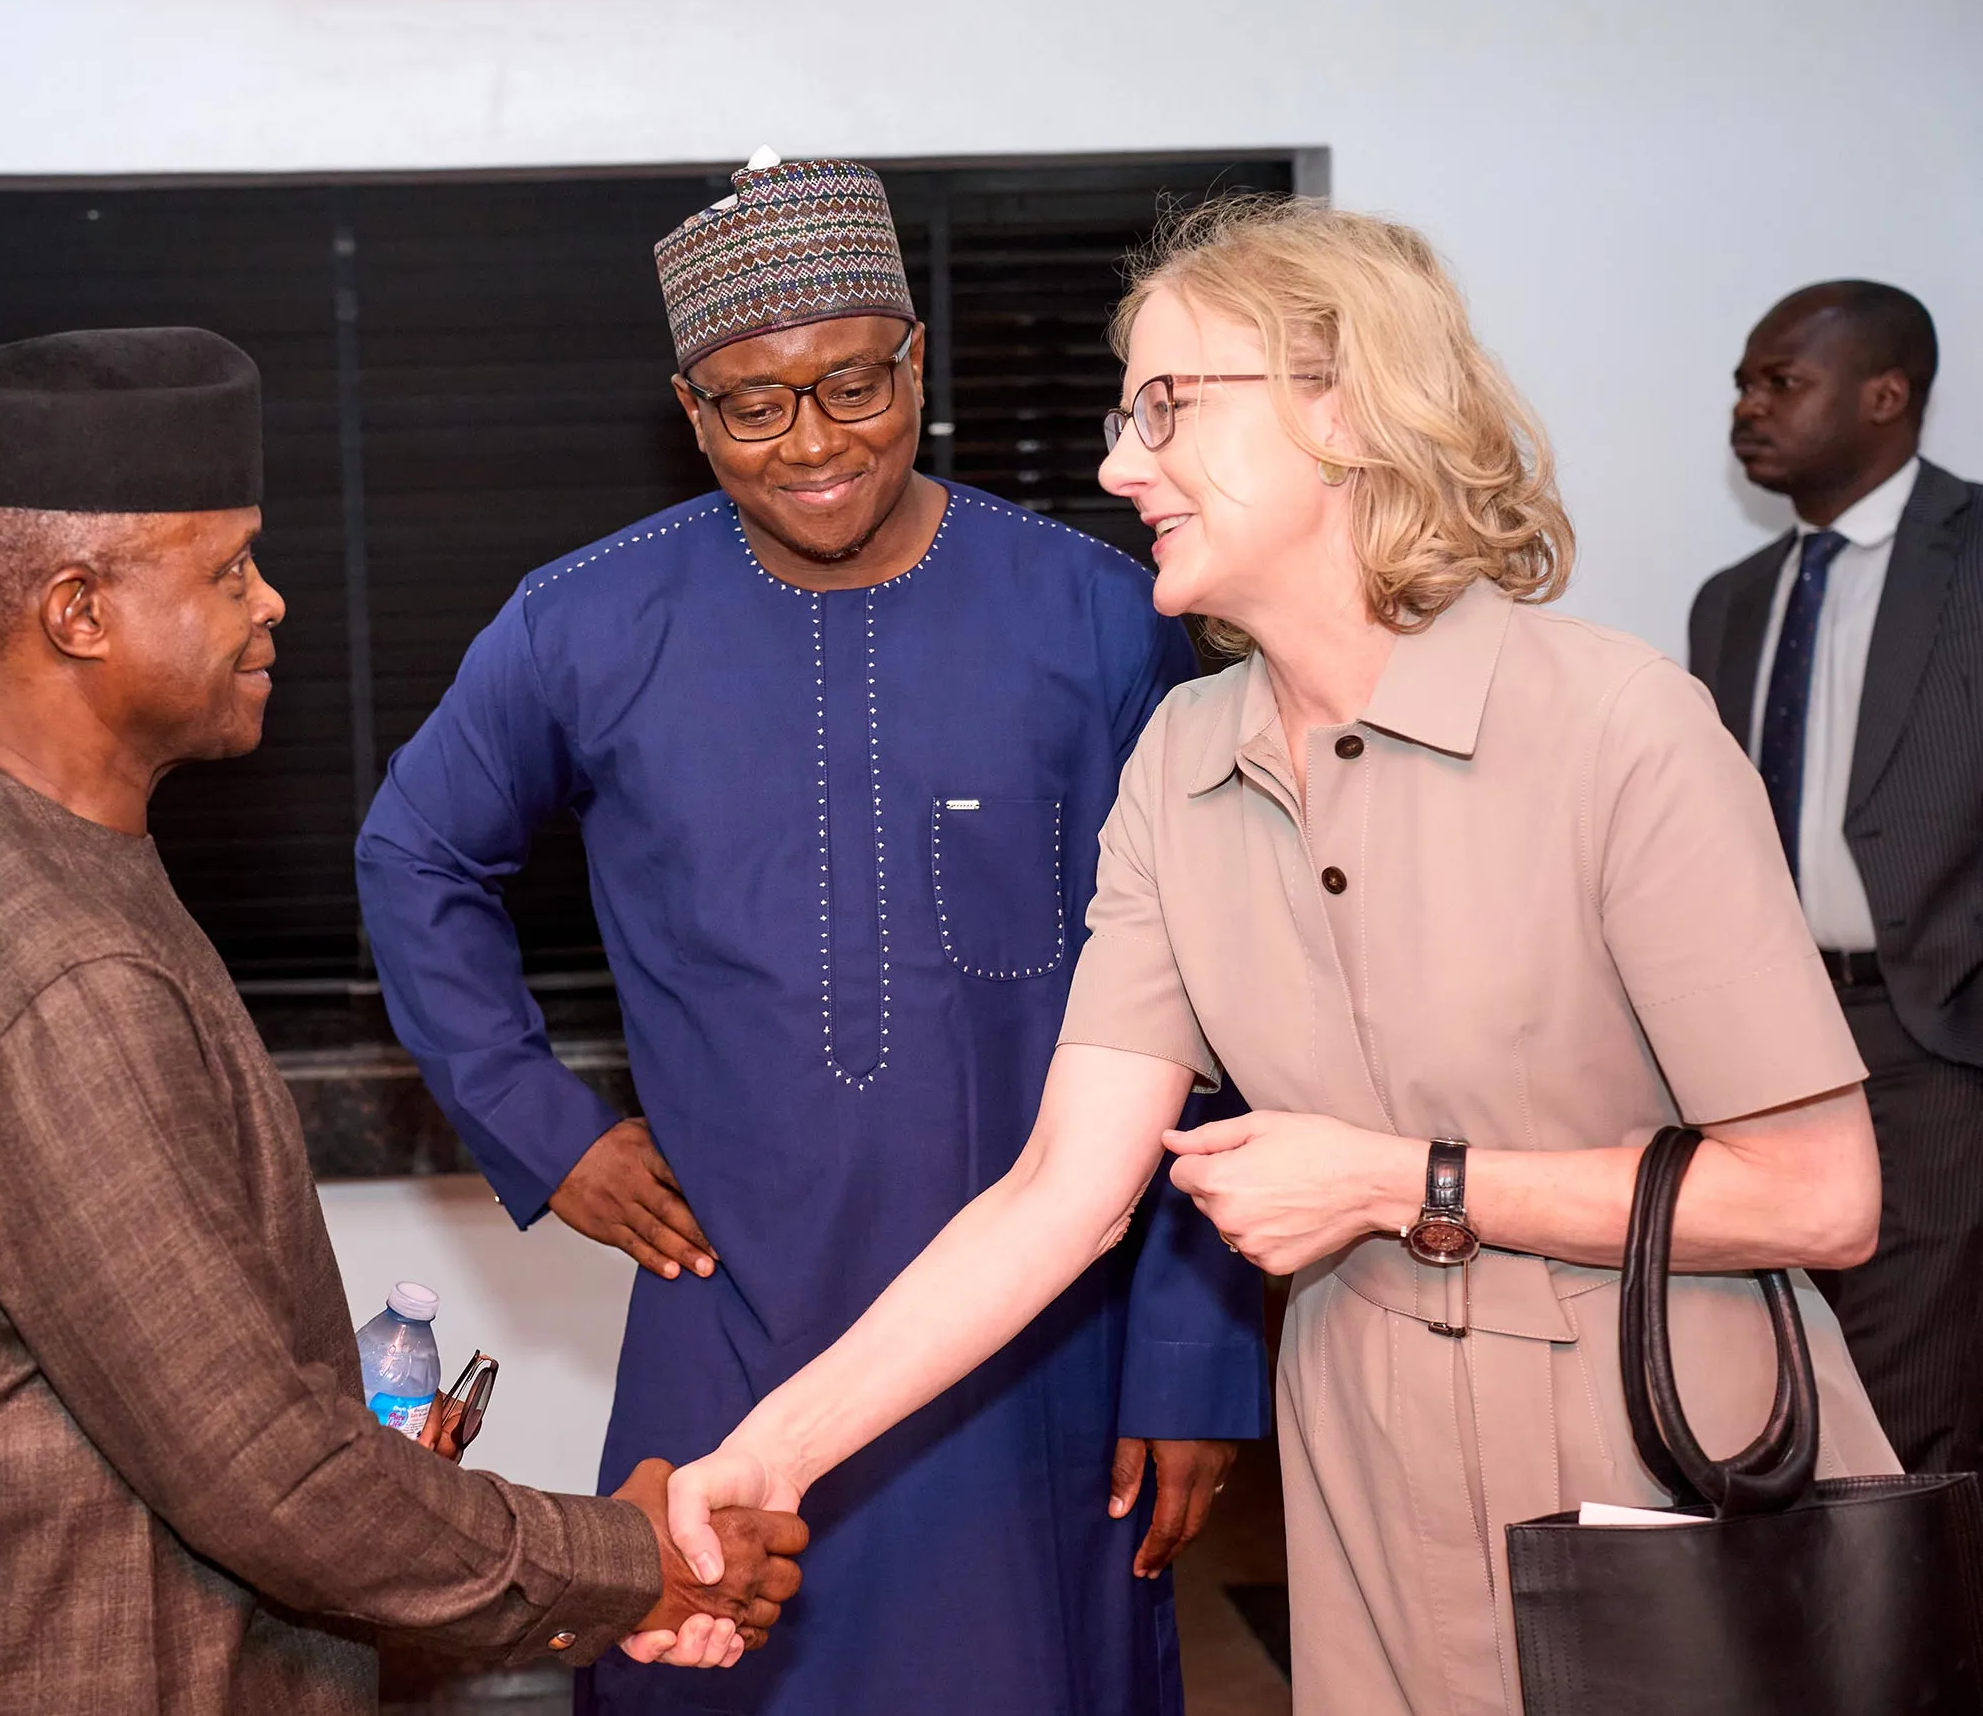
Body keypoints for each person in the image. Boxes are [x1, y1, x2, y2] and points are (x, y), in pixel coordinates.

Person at [659, 198, 1902, 1714]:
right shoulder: (1179, 760)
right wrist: (764, 1452)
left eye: (1166, 408)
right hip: (1362, 1469)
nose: (1121, 466)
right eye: (1126, 417)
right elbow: (1060, 1190)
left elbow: (1817, 1193)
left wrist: (1403, 1181)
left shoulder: (1614, 724)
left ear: (1348, 409)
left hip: (1666, 1448)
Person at [356, 156, 1265, 1716]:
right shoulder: (584, 621)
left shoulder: (1100, 613)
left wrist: (1186, 1352)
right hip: (731, 1299)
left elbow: (1213, 999)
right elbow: (414, 849)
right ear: (690, 408)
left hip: (1035, 1333)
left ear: (916, 360)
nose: (815, 442)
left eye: (853, 385)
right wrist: (540, 1125)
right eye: (751, 406)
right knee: (706, 1652)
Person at [0, 327, 806, 1716]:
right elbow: (266, 1475)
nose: (268, 603)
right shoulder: (58, 968)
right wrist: (626, 1559)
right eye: (223, 571)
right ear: (76, 611)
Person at [1689, 282, 1983, 1476]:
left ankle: (1910, 1660)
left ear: (1885, 394)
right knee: (1775, 1376)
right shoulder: (1733, 601)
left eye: (1779, 384)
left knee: (1913, 1395)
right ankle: (1804, 1648)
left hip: (1931, 1039)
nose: (1747, 410)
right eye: (1742, 386)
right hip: (1761, 1036)